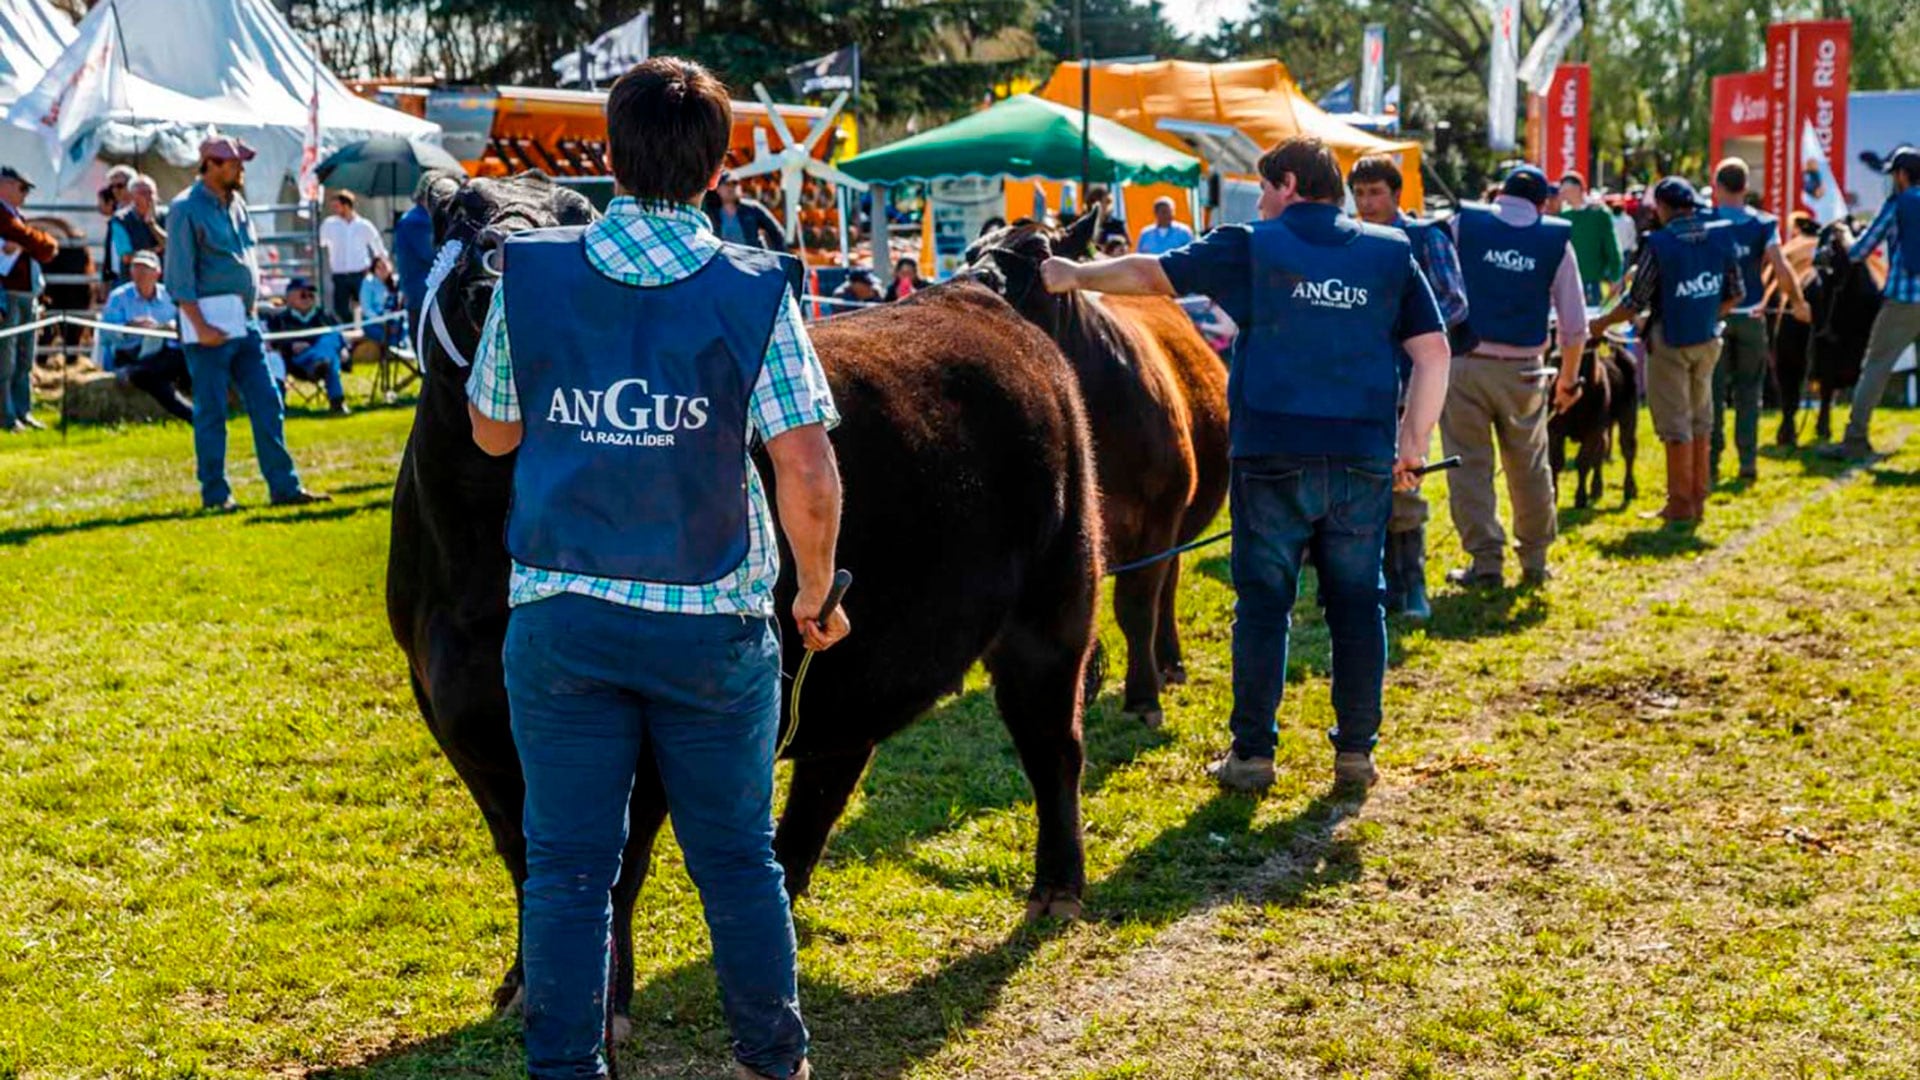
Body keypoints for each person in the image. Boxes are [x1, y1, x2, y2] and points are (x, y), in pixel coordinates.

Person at [463, 56, 845, 1080]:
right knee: (734, 860)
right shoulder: (755, 286)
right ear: (719, 166)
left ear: (609, 155)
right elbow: (806, 464)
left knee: (567, 870)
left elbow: (493, 436)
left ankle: (567, 1069)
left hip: (562, 608)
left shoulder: (534, 273)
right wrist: (814, 592)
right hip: (711, 616)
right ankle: (773, 1060)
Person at [1038, 135, 1450, 794]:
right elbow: (1433, 352)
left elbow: (1151, 275)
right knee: (1357, 605)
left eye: (1263, 187)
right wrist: (1413, 442)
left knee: (1264, 608)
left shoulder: (1252, 244)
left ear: (1288, 183)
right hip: (1362, 457)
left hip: (1273, 454)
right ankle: (1355, 756)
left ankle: (1253, 757)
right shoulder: (1390, 251)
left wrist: (1075, 276)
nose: (1258, 201)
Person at [1441, 164, 1586, 588]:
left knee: (1468, 465)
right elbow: (1575, 327)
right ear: (1543, 203)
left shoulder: (1462, 224)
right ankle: (1535, 561)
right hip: (1525, 370)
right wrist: (1569, 379)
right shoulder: (1554, 239)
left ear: (1499, 193)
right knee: (1530, 465)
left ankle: (1486, 562)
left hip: (1464, 365)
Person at [167, 135, 329, 510]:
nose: (240, 169)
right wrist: (200, 325)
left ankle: (284, 488)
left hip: (247, 324)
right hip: (206, 328)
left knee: (268, 401)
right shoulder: (184, 210)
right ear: (210, 164)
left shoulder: (236, 203)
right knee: (211, 411)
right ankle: (215, 494)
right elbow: (178, 276)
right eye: (233, 163)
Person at [1349, 153, 1471, 622]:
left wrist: (1402, 322)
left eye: (1375, 192)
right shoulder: (1351, 241)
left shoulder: (1424, 238)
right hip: (1361, 384)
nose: (1366, 202)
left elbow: (1453, 302)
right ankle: (1371, 585)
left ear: (1397, 194)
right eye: (1359, 194)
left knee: (1406, 482)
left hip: (1412, 380)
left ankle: (1411, 582)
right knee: (1362, 488)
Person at [1591, 177, 1742, 523]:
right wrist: (1703, 315)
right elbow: (1735, 293)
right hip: (1707, 339)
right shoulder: (1720, 234)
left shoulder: (1659, 243)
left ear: (1662, 208)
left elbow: (1635, 300)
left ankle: (1679, 503)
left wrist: (1600, 325)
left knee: (1675, 424)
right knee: (1701, 419)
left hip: (1670, 341)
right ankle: (1698, 498)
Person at [1709, 157, 1811, 482]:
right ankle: (1747, 462)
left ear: (1718, 186)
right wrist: (1797, 302)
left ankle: (1711, 461)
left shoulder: (1707, 221)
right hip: (1752, 316)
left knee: (1711, 392)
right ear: (1746, 188)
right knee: (1749, 392)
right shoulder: (1764, 224)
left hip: (1715, 318)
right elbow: (1781, 268)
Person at [1821, 146, 1920, 462]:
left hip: (1904, 301)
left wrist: (1844, 234)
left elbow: (1858, 252)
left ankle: (1855, 439)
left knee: (1876, 367)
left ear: (1902, 176)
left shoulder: (1896, 206)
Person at [99, 250, 193, 422]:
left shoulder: (169, 296)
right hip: (130, 354)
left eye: (145, 268)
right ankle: (191, 415)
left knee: (186, 363)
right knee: (150, 376)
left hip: (164, 353)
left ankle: (197, 413)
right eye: (136, 268)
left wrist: (171, 328)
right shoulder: (118, 297)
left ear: (158, 272)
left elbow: (185, 325)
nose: (140, 273)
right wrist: (129, 326)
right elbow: (104, 334)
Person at [0, 165, 59, 432]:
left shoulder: (14, 217)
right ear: (6, 185)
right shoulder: (4, 216)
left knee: (24, 357)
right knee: (7, 357)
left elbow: (34, 244)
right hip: (8, 294)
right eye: (22, 188)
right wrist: (37, 241)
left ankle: (22, 411)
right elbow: (44, 247)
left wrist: (29, 241)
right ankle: (7, 415)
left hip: (25, 293)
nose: (25, 194)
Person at [264, 276, 350, 415]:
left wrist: (344, 347)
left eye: (311, 295)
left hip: (322, 362)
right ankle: (337, 402)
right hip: (297, 362)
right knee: (329, 355)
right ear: (290, 297)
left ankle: (320, 361)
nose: (308, 298)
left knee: (330, 340)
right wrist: (291, 345)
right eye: (303, 295)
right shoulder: (280, 319)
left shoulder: (325, 316)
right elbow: (273, 342)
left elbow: (340, 336)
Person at [318, 190, 386, 323]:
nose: (334, 209)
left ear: (347, 205)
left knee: (366, 305)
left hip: (361, 273)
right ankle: (350, 329)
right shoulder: (329, 224)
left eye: (337, 206)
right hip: (340, 274)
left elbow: (378, 249)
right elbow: (321, 243)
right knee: (340, 308)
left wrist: (381, 268)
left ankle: (367, 334)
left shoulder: (364, 225)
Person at [1557, 172, 1623, 306]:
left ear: (1578, 189)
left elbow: (1611, 246)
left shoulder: (1599, 214)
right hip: (1566, 280)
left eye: (1566, 190)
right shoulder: (1564, 216)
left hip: (1591, 281)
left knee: (1591, 321)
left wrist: (1615, 276)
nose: (1563, 194)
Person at [393, 179, 436, 339]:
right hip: (423, 294)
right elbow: (431, 254)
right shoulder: (416, 221)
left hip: (420, 294)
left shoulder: (413, 219)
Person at [702, 171, 788, 251]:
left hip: (753, 262)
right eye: (727, 184)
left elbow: (777, 232)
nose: (731, 188)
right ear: (718, 190)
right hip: (727, 262)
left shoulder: (753, 208)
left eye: (735, 184)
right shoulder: (712, 213)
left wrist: (778, 258)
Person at [108, 174, 168, 281]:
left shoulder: (166, 216)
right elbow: (126, 257)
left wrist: (152, 224)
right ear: (132, 197)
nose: (149, 197)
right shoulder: (120, 220)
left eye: (151, 192)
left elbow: (170, 246)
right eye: (143, 193)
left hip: (163, 282)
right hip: (132, 282)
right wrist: (155, 250)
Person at [358, 255, 403, 346]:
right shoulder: (368, 283)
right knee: (384, 334)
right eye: (378, 267)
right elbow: (366, 309)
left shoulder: (397, 282)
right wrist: (383, 322)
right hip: (373, 322)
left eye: (384, 266)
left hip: (394, 320)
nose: (382, 270)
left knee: (403, 327)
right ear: (374, 269)